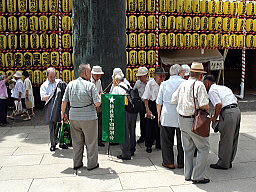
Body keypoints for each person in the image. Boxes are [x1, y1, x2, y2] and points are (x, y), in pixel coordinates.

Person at [171, 62, 210, 184]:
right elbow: (204, 104)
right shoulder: (199, 85)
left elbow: (173, 100)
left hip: (181, 120)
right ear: (200, 75)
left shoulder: (183, 84)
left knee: (187, 149)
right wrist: (207, 108)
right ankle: (197, 176)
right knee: (204, 148)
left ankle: (187, 175)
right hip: (194, 121)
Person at [61, 64, 101, 171]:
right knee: (91, 142)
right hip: (89, 117)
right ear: (86, 72)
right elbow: (97, 103)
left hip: (73, 116)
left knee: (76, 142)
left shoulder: (70, 84)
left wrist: (63, 113)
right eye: (90, 71)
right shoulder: (90, 85)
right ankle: (92, 164)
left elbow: (64, 100)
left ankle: (77, 163)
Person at [203, 75, 241, 170]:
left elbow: (218, 104)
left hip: (228, 113)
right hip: (236, 111)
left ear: (207, 82)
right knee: (233, 138)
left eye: (204, 84)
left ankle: (223, 163)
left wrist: (215, 118)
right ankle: (229, 161)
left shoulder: (212, 90)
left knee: (226, 139)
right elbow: (234, 100)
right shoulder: (223, 87)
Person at [156, 64, 185, 169]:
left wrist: (159, 116)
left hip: (167, 116)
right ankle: (181, 162)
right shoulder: (185, 83)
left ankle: (169, 162)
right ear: (179, 72)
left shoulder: (164, 84)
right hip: (181, 115)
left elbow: (159, 102)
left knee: (166, 141)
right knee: (182, 141)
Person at [111, 74, 137, 160]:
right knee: (132, 131)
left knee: (124, 133)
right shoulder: (128, 86)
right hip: (133, 111)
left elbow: (113, 101)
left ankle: (126, 154)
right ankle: (132, 150)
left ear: (116, 80)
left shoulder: (116, 88)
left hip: (124, 112)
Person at [142, 67, 167, 153]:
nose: (162, 78)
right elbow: (145, 98)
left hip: (161, 105)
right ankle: (148, 145)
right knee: (150, 126)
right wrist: (147, 110)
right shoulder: (150, 84)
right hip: (152, 105)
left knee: (160, 125)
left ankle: (159, 143)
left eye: (163, 76)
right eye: (160, 76)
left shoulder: (164, 84)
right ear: (155, 76)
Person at [40, 67, 61, 151]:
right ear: (47, 76)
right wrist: (53, 95)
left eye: (54, 76)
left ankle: (61, 141)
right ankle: (53, 144)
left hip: (59, 106)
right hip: (50, 108)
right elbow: (43, 98)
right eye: (51, 77)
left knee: (60, 125)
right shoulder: (44, 85)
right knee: (52, 126)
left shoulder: (59, 82)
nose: (53, 79)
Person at [133, 67, 149, 144]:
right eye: (138, 76)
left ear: (146, 75)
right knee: (143, 121)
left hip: (150, 103)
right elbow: (134, 91)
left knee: (151, 122)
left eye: (140, 76)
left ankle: (151, 138)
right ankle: (143, 136)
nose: (139, 78)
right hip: (142, 103)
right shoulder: (138, 83)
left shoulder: (151, 82)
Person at [91, 66, 105, 147]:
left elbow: (100, 91)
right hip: (91, 106)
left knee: (99, 123)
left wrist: (101, 94)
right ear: (93, 74)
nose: (98, 77)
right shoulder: (89, 81)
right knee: (91, 125)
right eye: (97, 75)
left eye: (99, 75)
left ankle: (99, 140)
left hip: (98, 105)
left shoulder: (99, 81)